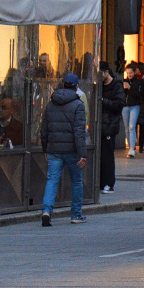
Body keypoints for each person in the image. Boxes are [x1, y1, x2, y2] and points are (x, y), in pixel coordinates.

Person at [39, 73, 89, 226]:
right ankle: (76, 214)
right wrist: (82, 154)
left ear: (62, 85)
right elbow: (79, 132)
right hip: (73, 151)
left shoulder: (50, 104)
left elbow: (44, 129)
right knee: (76, 181)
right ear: (76, 87)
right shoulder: (78, 105)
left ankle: (46, 211)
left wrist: (45, 149)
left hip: (54, 149)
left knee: (52, 180)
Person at [99, 61, 125, 194]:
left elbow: (119, 104)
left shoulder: (116, 85)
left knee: (107, 155)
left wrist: (103, 101)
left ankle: (109, 183)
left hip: (110, 125)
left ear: (106, 72)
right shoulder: (100, 85)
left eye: (101, 73)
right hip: (101, 124)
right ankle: (101, 182)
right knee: (100, 155)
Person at [122, 64, 144, 157]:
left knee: (132, 126)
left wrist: (130, 88)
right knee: (127, 128)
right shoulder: (124, 81)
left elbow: (139, 95)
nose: (129, 75)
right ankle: (132, 146)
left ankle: (131, 148)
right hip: (125, 106)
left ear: (134, 72)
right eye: (127, 73)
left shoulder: (138, 82)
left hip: (134, 106)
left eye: (131, 73)